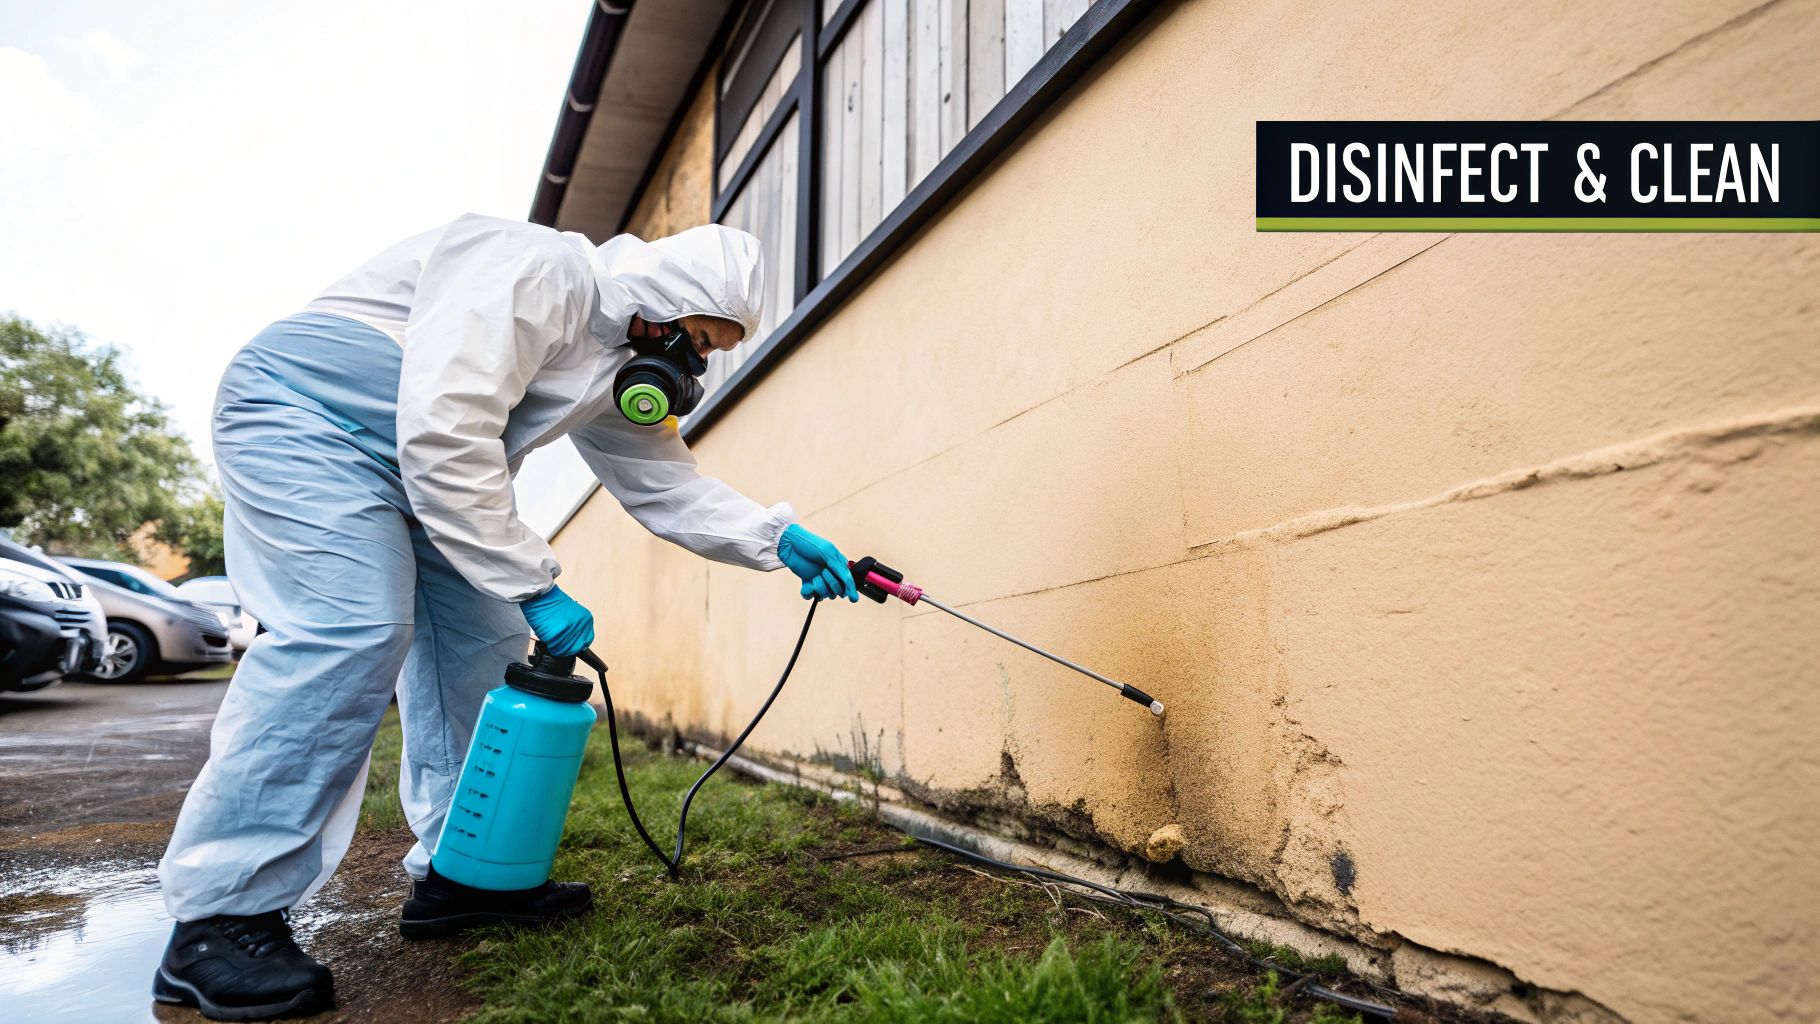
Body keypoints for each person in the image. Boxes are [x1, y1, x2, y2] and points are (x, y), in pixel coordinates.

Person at [152, 214, 859, 1021]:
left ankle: (465, 875)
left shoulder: (618, 361)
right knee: (349, 630)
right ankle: (218, 916)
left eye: (711, 350)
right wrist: (535, 580)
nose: (694, 363)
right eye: (699, 338)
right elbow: (445, 432)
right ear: (662, 304)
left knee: (482, 648)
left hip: (432, 469)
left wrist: (775, 537)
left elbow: (665, 483)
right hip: (312, 422)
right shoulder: (537, 267)